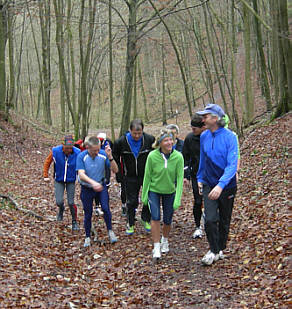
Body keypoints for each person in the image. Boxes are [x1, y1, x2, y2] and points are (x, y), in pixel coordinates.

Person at [196, 104, 238, 266]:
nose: (202, 119)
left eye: (205, 116)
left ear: (215, 118)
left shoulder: (230, 137)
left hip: (226, 186)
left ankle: (220, 248)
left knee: (224, 220)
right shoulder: (204, 136)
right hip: (208, 183)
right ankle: (213, 249)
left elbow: (232, 165)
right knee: (210, 219)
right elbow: (203, 159)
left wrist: (221, 185)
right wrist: (200, 177)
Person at [141, 129, 184, 260]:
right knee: (155, 217)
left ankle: (165, 239)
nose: (169, 142)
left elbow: (180, 179)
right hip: (154, 190)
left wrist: (178, 198)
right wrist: (144, 195)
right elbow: (147, 176)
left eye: (171, 140)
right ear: (160, 143)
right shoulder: (152, 156)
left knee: (167, 219)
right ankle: (156, 245)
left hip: (170, 191)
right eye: (166, 140)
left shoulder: (178, 157)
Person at [112, 119, 155, 235]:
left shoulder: (149, 140)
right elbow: (115, 157)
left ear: (143, 131)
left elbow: (156, 156)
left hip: (146, 175)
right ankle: (130, 223)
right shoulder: (121, 142)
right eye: (134, 133)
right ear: (130, 131)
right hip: (129, 176)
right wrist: (119, 174)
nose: (137, 136)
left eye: (139, 133)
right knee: (131, 201)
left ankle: (146, 219)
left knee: (148, 199)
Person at [76, 136, 119, 247]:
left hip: (101, 185)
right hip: (87, 188)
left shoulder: (103, 155)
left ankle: (110, 231)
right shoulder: (82, 156)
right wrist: (92, 183)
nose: (96, 152)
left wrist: (110, 157)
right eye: (94, 150)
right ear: (87, 148)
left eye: (98, 149)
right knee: (88, 212)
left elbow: (116, 170)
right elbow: (81, 174)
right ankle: (87, 237)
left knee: (105, 208)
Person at [43, 135, 81, 231]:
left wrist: (81, 177)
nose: (68, 150)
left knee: (71, 202)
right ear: (62, 145)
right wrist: (45, 175)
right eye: (66, 148)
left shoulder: (77, 153)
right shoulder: (56, 151)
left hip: (71, 180)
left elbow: (81, 166)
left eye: (70, 148)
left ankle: (74, 221)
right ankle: (61, 209)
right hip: (59, 179)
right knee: (59, 201)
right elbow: (47, 162)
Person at [182, 115, 206, 239]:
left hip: (211, 175)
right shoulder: (189, 139)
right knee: (198, 200)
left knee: (210, 201)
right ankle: (198, 227)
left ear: (203, 127)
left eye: (195, 128)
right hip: (196, 175)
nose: (193, 131)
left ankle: (210, 222)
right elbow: (185, 158)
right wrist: (186, 176)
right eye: (191, 128)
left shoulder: (209, 136)